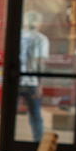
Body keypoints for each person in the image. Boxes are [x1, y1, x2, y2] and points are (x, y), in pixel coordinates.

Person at [18, 11, 49, 141]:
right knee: (35, 114)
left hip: (17, 80)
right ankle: (37, 143)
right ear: (39, 23)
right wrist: (40, 84)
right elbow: (40, 62)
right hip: (32, 82)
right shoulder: (41, 39)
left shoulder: (17, 36)